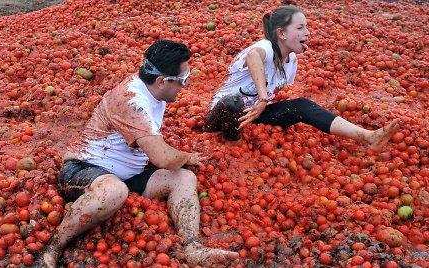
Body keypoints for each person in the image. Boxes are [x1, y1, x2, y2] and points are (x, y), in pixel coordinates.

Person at [37, 40, 239, 267]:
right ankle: (52, 247)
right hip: (83, 169)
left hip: (125, 178)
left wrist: (181, 160)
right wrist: (186, 156)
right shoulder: (132, 101)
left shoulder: (154, 92)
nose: (185, 86)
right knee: (114, 190)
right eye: (183, 80)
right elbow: (162, 158)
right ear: (162, 81)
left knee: (184, 177)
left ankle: (192, 247)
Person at [204, 5, 399, 152]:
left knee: (302, 105)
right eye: (300, 28)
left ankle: (368, 136)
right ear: (281, 33)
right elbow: (253, 57)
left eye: (306, 27)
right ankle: (231, 150)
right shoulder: (265, 47)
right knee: (233, 103)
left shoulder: (292, 61)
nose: (307, 32)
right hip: (222, 116)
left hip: (253, 116)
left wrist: (264, 105)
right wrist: (263, 99)